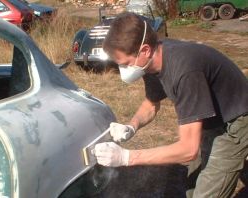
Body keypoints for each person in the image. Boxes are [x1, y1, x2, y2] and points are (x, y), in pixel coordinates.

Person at [94, 12, 248, 198]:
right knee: (192, 186)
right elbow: (151, 104)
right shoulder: (151, 63)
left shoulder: (184, 71)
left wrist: (127, 158)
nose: (123, 70)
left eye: (125, 63)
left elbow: (188, 150)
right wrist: (131, 126)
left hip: (237, 120)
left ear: (144, 51)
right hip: (213, 115)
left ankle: (237, 155)